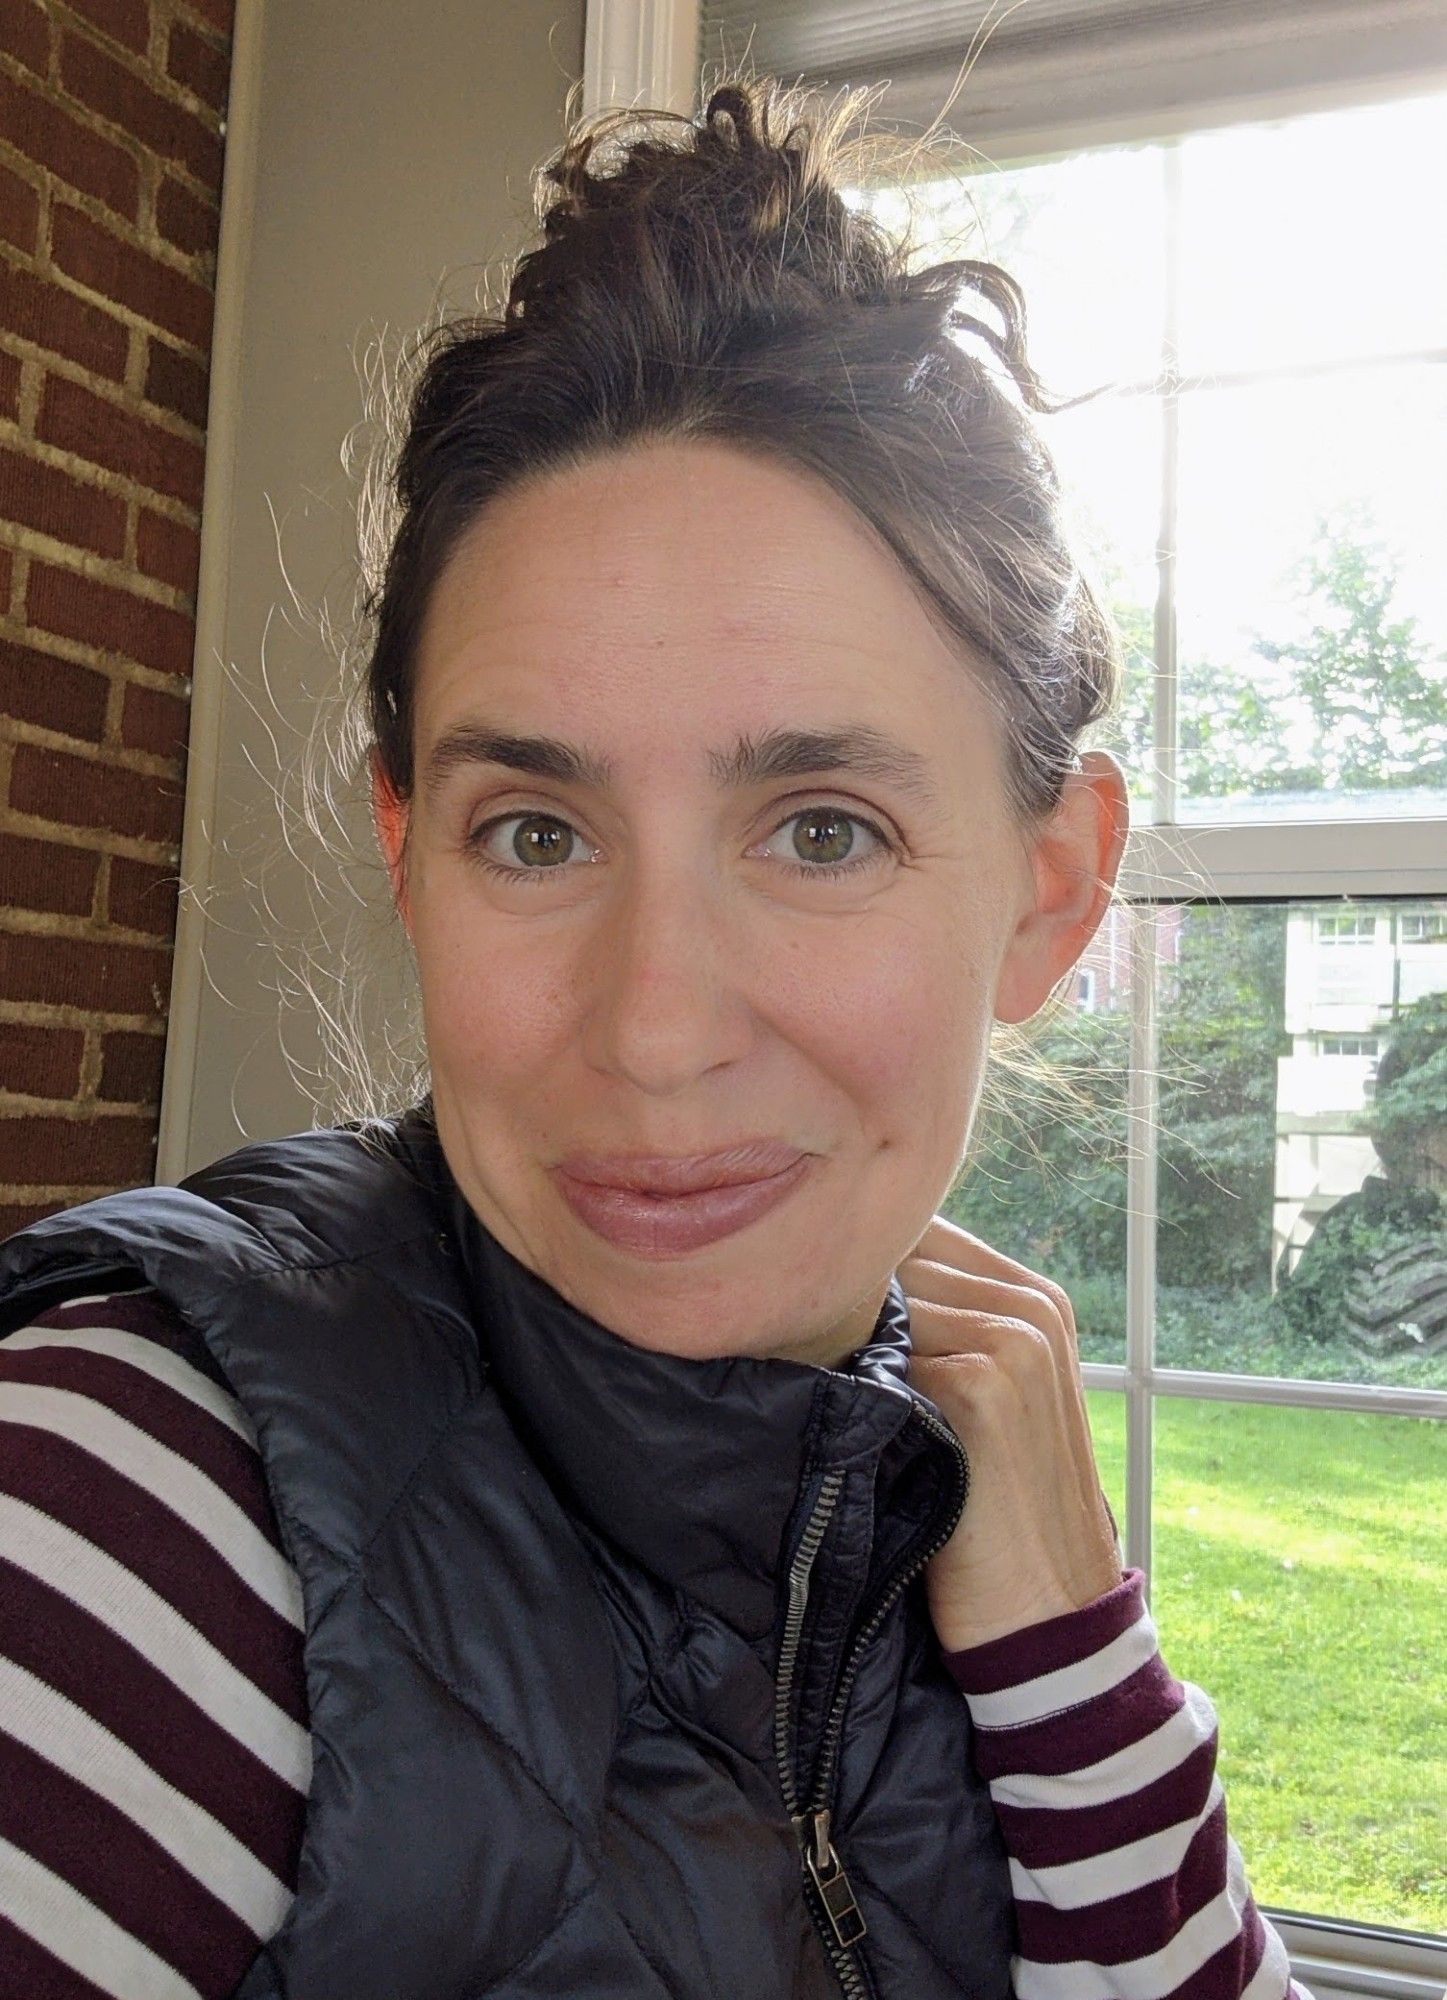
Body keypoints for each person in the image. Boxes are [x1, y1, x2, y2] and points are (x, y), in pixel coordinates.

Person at [0, 74, 1312, 2000]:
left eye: (821, 831)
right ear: (408, 856)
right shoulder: (128, 1501)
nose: (659, 1029)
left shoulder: (949, 1478)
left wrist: (1070, 1657)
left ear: (1048, 895)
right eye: (536, 833)